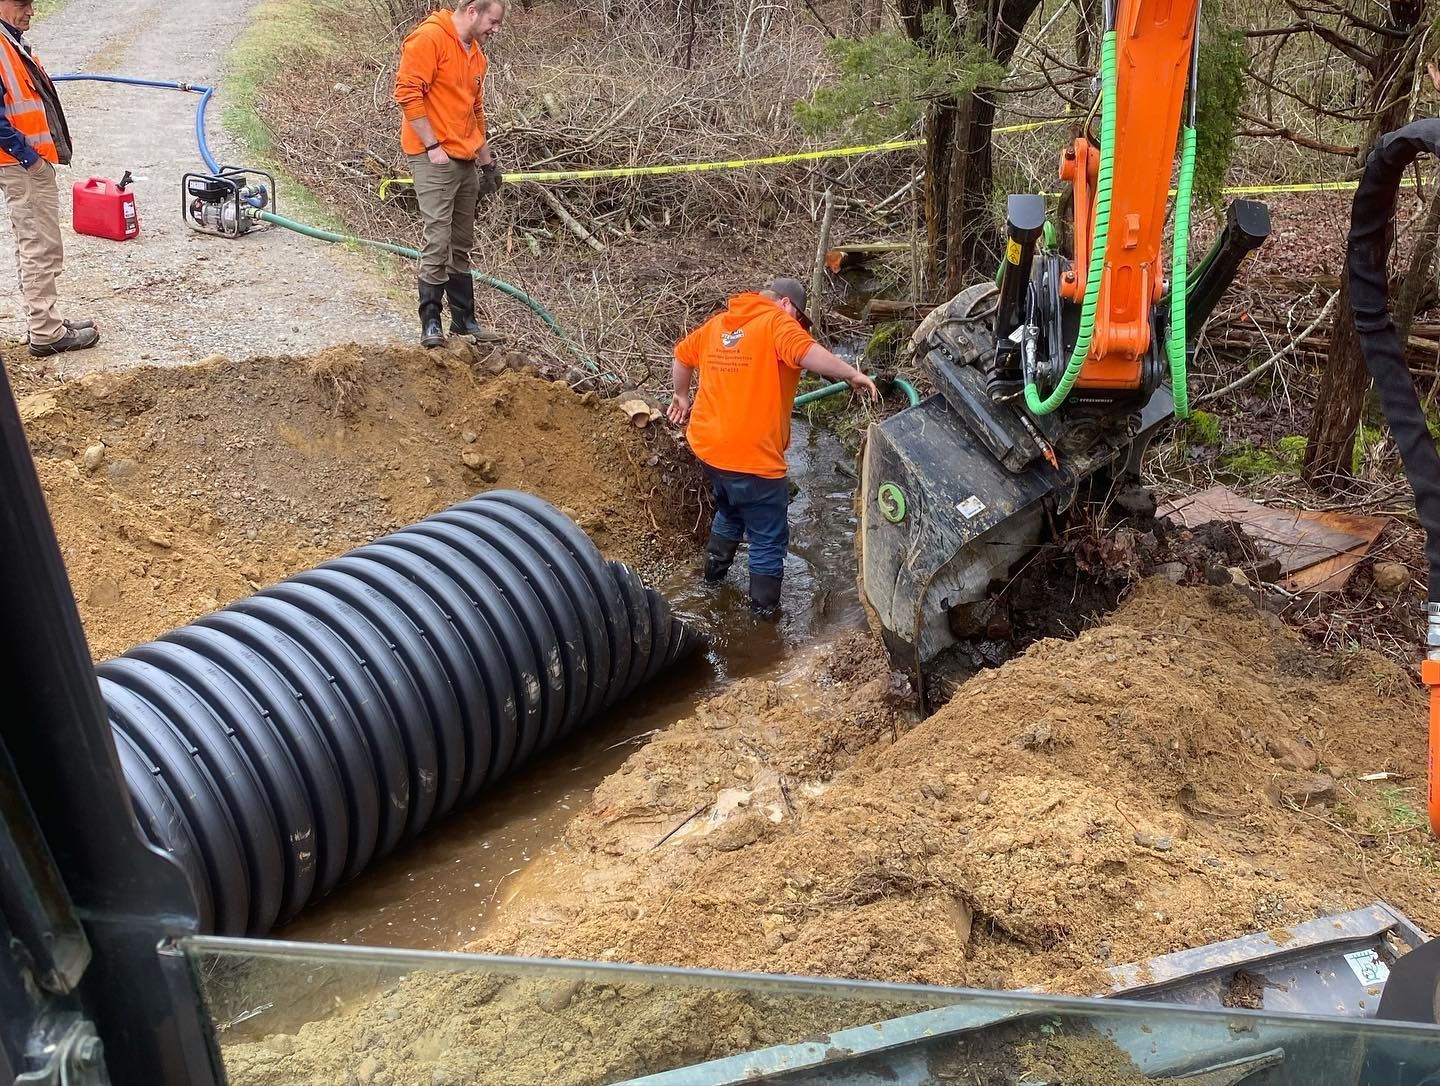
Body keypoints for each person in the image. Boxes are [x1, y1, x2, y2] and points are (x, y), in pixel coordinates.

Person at [669, 277, 879, 618]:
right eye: (799, 319)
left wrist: (681, 395)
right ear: (786, 304)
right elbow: (807, 352)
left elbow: (681, 356)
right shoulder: (776, 322)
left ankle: (710, 583)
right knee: (768, 537)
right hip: (753, 458)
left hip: (709, 449)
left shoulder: (719, 324)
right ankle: (762, 621)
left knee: (731, 510)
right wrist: (852, 375)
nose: (798, 326)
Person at [393, 0, 506, 349]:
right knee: (437, 239)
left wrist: (487, 161)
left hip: (464, 158)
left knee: (461, 241)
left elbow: (475, 111)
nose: (496, 30)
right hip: (433, 157)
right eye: (493, 21)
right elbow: (407, 93)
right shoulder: (429, 39)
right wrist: (431, 146)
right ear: (472, 10)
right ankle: (430, 321)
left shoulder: (477, 56)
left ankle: (464, 320)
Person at [0, 0, 96, 358]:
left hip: (21, 164)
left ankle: (47, 321)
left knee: (34, 242)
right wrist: (31, 160)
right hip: (22, 166)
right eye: (22, 4)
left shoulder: (10, 40)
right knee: (39, 245)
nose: (31, 11)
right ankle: (46, 332)